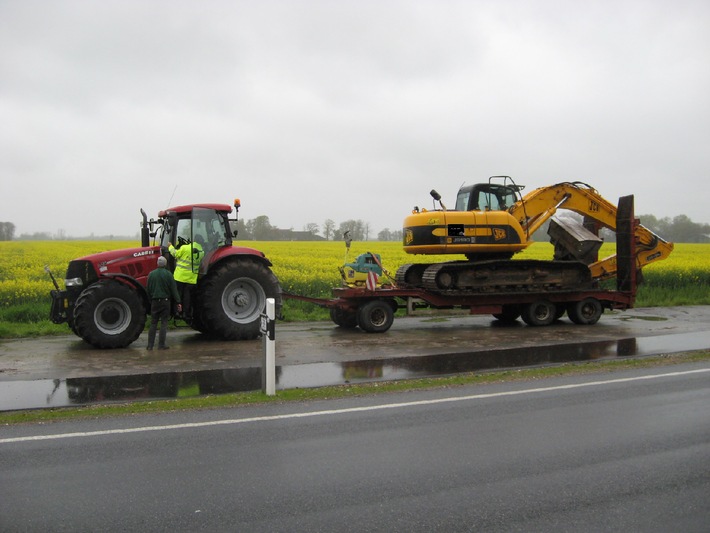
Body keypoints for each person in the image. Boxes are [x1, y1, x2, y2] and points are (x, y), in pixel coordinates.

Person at [146, 255, 181, 350]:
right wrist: (178, 302)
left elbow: (148, 290)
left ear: (157, 264)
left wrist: (151, 300)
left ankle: (150, 345)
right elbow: (174, 290)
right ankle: (161, 345)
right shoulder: (168, 274)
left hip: (154, 302)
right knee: (164, 323)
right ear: (165, 264)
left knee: (153, 323)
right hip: (165, 302)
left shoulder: (151, 274)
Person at [168, 237, 204, 321]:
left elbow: (175, 254)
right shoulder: (202, 252)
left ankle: (177, 312)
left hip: (180, 276)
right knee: (187, 297)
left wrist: (170, 246)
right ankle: (185, 313)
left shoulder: (185, 247)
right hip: (191, 278)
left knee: (178, 295)